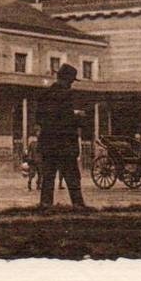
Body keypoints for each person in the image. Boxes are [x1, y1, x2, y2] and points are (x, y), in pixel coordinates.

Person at [36, 63, 88, 210]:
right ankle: (78, 205)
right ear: (67, 79)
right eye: (71, 81)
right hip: (65, 144)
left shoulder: (44, 95)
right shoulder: (67, 95)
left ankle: (45, 205)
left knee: (48, 177)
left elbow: (39, 119)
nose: (71, 84)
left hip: (48, 143)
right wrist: (79, 117)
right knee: (72, 177)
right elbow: (66, 119)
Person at [25, 125, 42, 191]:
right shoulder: (36, 143)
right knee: (37, 173)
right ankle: (35, 184)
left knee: (35, 173)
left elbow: (27, 151)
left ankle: (33, 183)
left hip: (34, 160)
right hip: (37, 160)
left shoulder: (32, 143)